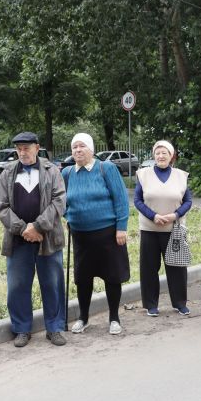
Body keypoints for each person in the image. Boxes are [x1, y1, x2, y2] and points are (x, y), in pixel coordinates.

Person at [0, 132, 67, 348]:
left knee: (52, 283)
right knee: (17, 285)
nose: (22, 152)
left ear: (37, 148)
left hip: (47, 238)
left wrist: (37, 227)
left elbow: (59, 201)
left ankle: (54, 328)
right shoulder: (8, 172)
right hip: (18, 240)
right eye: (19, 148)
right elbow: (2, 207)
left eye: (26, 148)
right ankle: (22, 329)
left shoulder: (52, 171)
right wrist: (23, 229)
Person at [62, 133, 130, 335]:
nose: (78, 150)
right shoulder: (67, 173)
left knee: (112, 276)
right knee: (83, 278)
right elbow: (61, 200)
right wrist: (69, 216)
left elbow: (121, 198)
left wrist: (121, 226)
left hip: (108, 233)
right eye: (74, 147)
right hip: (80, 235)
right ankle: (83, 318)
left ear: (91, 149)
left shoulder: (105, 168)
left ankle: (114, 318)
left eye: (82, 146)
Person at [134, 140, 192, 316]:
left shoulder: (181, 175)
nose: (160, 156)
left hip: (174, 229)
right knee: (149, 268)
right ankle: (151, 305)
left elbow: (188, 201)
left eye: (164, 153)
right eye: (157, 153)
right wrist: (153, 216)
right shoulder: (143, 175)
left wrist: (175, 215)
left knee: (177, 267)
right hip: (150, 229)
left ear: (171, 156)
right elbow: (137, 200)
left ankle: (180, 303)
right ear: (154, 155)